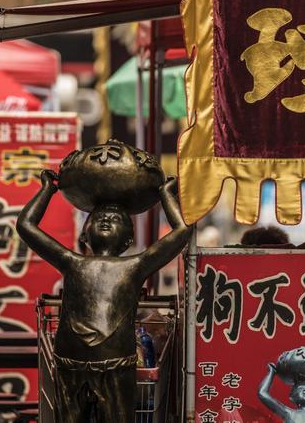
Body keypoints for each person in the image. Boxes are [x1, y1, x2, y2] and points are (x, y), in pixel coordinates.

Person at [17, 169, 191, 423]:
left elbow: (182, 232)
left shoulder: (136, 265)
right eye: (97, 217)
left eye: (116, 218)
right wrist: (46, 190)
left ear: (129, 240)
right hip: (70, 363)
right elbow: (25, 225)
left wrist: (166, 195)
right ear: (84, 235)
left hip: (117, 365)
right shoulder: (70, 261)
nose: (106, 219)